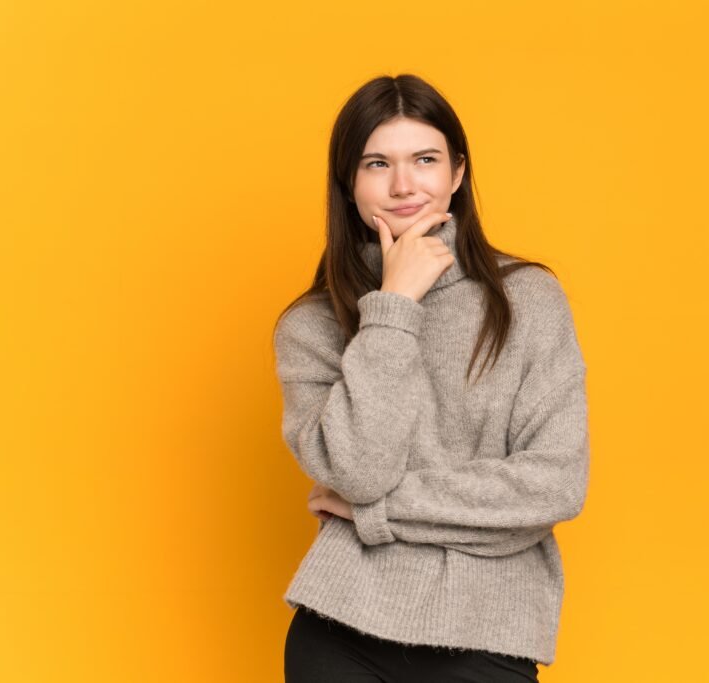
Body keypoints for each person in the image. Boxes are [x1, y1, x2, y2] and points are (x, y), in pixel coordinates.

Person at [274, 73, 589, 682]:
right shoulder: (311, 327)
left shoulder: (529, 300)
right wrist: (394, 303)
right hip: (340, 631)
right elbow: (360, 467)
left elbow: (554, 485)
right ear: (349, 182)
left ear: (458, 173)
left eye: (424, 159)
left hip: (485, 635)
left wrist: (374, 513)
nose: (403, 185)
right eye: (376, 163)